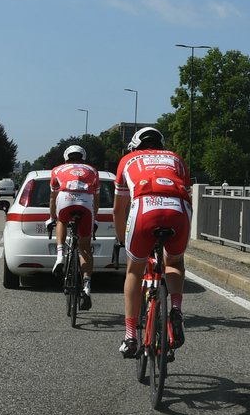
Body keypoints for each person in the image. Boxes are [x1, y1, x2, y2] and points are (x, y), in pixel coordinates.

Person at [113, 126, 191, 358]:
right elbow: (189, 196)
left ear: (135, 146)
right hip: (178, 209)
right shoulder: (176, 159)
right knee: (174, 262)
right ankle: (175, 309)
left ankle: (130, 337)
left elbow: (119, 210)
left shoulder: (127, 160)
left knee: (134, 270)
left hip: (145, 208)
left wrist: (122, 238)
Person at [49, 144, 97, 310]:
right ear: (83, 157)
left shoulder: (57, 170)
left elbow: (53, 197)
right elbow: (96, 199)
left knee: (61, 221)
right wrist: (94, 218)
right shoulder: (92, 170)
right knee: (85, 248)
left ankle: (60, 255)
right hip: (86, 203)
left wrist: (52, 217)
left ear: (66, 157)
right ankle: (86, 287)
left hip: (65, 199)